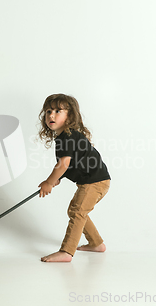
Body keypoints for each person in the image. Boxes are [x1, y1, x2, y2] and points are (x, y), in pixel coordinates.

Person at [37, 93, 111, 262]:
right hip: (94, 180)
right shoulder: (66, 137)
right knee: (76, 210)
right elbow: (72, 163)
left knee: (77, 212)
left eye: (57, 111)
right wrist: (57, 179)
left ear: (70, 116)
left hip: (95, 182)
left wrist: (49, 182)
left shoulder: (68, 137)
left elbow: (63, 164)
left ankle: (67, 252)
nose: (51, 115)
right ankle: (96, 243)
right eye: (48, 111)